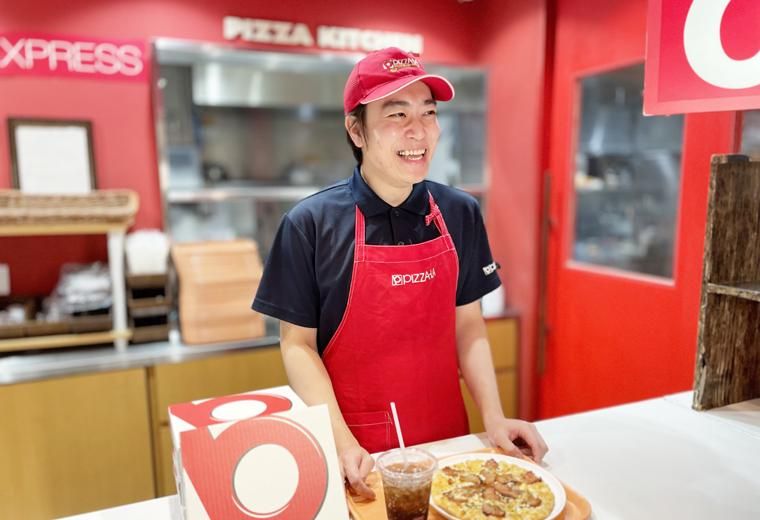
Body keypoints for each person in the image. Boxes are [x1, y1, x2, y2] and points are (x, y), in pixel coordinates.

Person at [252, 47, 548, 499]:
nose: (419, 130)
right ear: (357, 130)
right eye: (397, 114)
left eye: (428, 113)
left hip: (450, 441)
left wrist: (493, 418)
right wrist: (342, 441)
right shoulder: (309, 224)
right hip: (357, 454)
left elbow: (468, 326)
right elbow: (297, 345)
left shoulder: (460, 212)